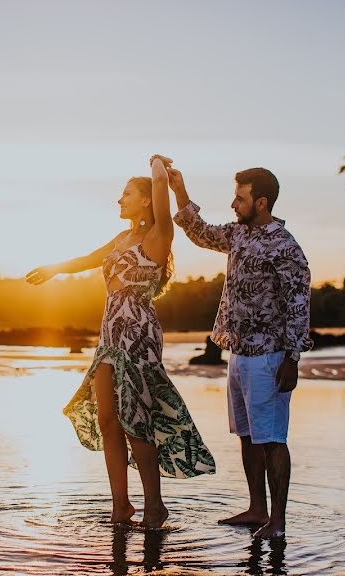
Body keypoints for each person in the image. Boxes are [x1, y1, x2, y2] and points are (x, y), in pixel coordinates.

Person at [26, 156, 215, 528]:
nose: (119, 200)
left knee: (135, 422)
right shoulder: (122, 238)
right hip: (109, 334)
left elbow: (160, 183)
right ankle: (121, 506)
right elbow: (87, 259)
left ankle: (155, 506)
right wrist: (53, 269)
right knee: (109, 420)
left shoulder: (159, 235)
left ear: (145, 200)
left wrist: (157, 164)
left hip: (138, 336)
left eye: (126, 194)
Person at [167, 163, 313, 539]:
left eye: (240, 197)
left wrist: (293, 358)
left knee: (273, 439)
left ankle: (277, 522)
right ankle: (256, 509)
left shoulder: (286, 246)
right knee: (248, 435)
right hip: (237, 352)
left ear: (261, 202)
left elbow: (298, 304)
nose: (233, 204)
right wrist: (178, 188)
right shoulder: (237, 235)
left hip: (269, 355)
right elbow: (198, 232)